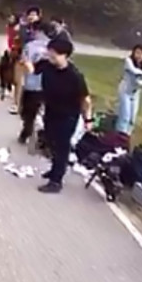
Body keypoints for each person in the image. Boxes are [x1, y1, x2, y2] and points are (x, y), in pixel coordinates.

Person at [23, 37, 94, 194]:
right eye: (50, 52)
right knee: (51, 141)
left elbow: (86, 100)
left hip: (68, 115)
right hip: (51, 109)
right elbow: (34, 70)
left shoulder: (75, 76)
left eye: (54, 54)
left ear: (65, 55)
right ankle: (55, 168)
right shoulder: (46, 65)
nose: (50, 56)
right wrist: (27, 64)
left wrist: (88, 119)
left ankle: (56, 181)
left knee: (62, 146)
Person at [17, 20, 51, 144]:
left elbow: (23, 61)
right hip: (49, 86)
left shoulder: (30, 46)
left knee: (28, 113)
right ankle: (44, 136)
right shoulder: (53, 47)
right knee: (45, 112)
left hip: (32, 85)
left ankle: (26, 133)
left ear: (38, 31)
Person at [10, 6, 42, 114]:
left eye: (35, 14)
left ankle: (32, 106)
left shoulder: (41, 30)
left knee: (34, 83)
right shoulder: (22, 28)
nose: (32, 17)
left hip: (35, 60)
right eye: (30, 14)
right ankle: (16, 104)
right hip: (21, 57)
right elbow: (15, 32)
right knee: (18, 82)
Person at [115, 44, 142, 135]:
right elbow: (133, 71)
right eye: (137, 53)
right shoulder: (128, 61)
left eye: (141, 54)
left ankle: (127, 136)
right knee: (125, 116)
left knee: (132, 118)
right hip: (125, 92)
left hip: (135, 93)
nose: (139, 56)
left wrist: (140, 83)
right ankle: (119, 136)